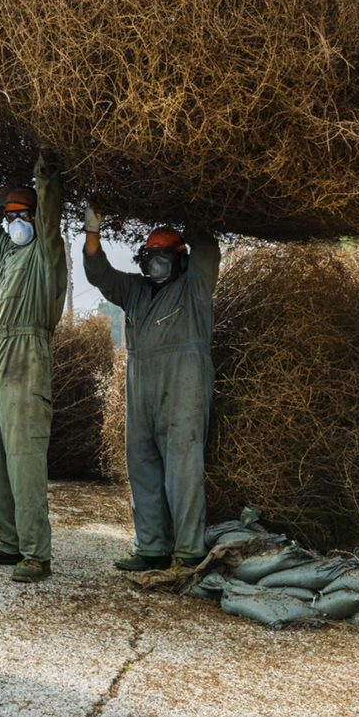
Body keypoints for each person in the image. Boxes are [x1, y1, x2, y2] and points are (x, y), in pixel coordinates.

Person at [82, 204, 220, 572]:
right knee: (141, 465)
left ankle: (189, 550)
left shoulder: (195, 286)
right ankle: (152, 548)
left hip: (184, 384)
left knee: (183, 466)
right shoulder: (134, 290)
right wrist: (92, 232)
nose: (156, 264)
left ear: (181, 258)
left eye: (164, 256)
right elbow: (98, 273)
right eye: (150, 256)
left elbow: (207, 248)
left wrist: (192, 204)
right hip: (140, 384)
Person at [0, 153, 68, 583]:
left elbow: (49, 222)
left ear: (34, 217)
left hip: (27, 357)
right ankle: (10, 544)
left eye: (21, 216)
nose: (14, 224)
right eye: (11, 217)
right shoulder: (7, 254)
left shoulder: (45, 255)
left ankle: (36, 554)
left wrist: (41, 181)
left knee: (25, 458)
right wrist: (5, 191)